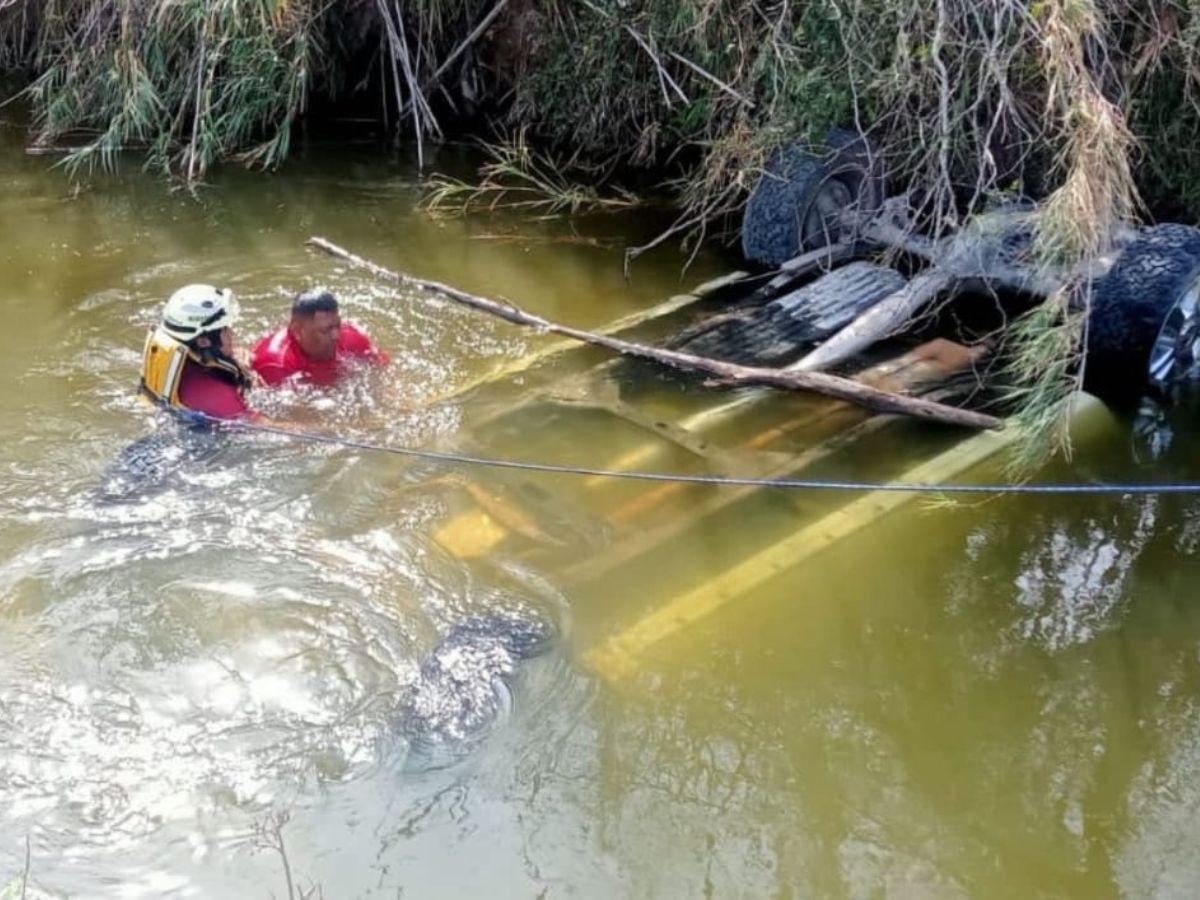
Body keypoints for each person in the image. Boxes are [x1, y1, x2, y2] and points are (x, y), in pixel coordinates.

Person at [139, 284, 256, 420]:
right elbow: (266, 426)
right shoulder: (216, 393)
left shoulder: (183, 359)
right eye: (225, 330)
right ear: (203, 342)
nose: (232, 333)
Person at [251, 289, 389, 387]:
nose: (336, 336)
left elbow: (383, 367)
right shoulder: (274, 364)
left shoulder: (351, 335)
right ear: (297, 331)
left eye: (337, 326)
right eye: (325, 330)